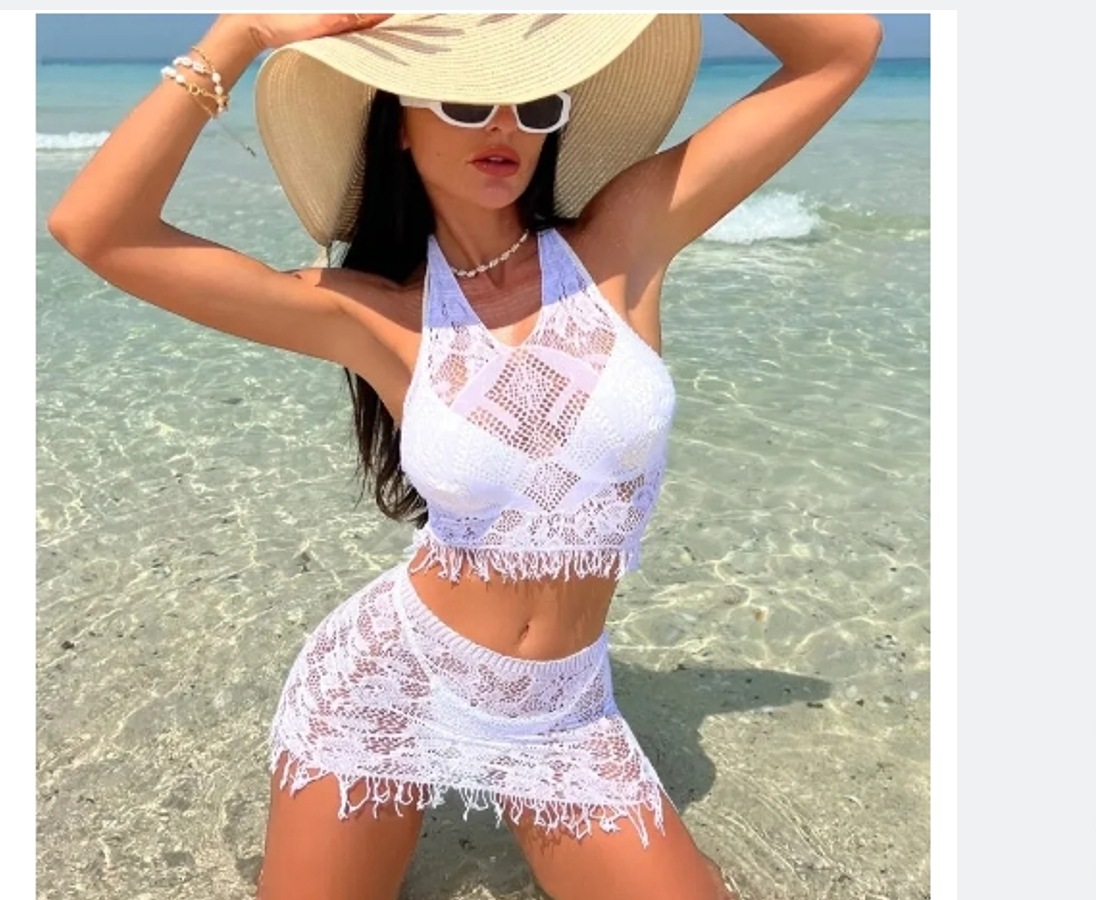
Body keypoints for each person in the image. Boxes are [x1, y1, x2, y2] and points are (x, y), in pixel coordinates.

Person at [47, 12, 882, 900]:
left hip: (562, 710)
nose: (505, 125)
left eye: (536, 104)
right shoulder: (373, 314)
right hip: (387, 682)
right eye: (466, 102)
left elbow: (839, 51)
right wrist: (243, 32)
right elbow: (97, 228)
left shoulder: (622, 243)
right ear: (398, 126)